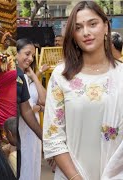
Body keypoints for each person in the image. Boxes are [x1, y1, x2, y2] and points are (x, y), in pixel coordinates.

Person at [43, 1, 123, 179]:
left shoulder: (121, 75)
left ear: (106, 27)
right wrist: (75, 177)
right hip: (72, 175)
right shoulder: (62, 76)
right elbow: (53, 136)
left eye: (92, 24)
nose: (86, 32)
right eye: (78, 28)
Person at [16, 38, 46, 180]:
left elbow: (42, 99)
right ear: (16, 53)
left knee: (32, 163)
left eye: (33, 56)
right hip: (23, 127)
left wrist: (34, 74)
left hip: (32, 127)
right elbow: (27, 109)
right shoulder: (16, 75)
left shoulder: (24, 77)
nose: (30, 59)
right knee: (23, 164)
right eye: (27, 54)